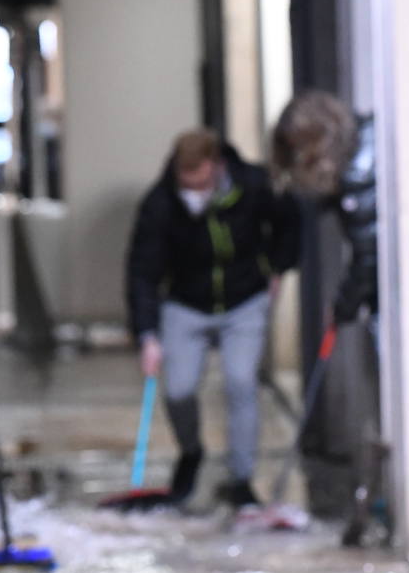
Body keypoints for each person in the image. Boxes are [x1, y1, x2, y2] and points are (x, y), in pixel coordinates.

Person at [125, 128, 299, 508]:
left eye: (202, 182)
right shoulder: (160, 203)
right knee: (179, 390)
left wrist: (276, 268)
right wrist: (147, 335)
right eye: (187, 183)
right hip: (186, 304)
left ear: (217, 167)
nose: (195, 191)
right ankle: (191, 453)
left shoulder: (254, 185)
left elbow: (291, 221)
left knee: (240, 383)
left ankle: (241, 481)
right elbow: (142, 270)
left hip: (244, 300)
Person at [271, 90, 385, 545]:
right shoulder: (354, 165)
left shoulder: (358, 176)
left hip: (384, 306)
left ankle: (375, 501)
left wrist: (345, 301)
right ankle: (373, 499)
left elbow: (368, 251)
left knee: (379, 404)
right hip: (374, 301)